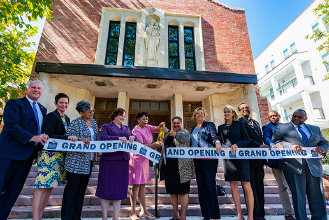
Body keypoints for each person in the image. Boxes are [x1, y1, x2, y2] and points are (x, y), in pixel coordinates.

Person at [0, 79, 48, 219]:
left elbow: (42, 131)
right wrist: (33, 137)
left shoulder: (42, 109)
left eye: (39, 88)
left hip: (27, 158)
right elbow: (11, 125)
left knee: (12, 194)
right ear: (26, 89)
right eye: (33, 87)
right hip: (8, 155)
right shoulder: (15, 103)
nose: (36, 90)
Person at [273, 109, 328, 220]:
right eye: (294, 116)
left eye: (300, 117)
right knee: (298, 197)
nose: (296, 119)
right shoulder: (282, 128)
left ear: (305, 118)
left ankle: (320, 218)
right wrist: (290, 146)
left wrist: (323, 149)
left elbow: (324, 142)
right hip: (294, 167)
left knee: (317, 196)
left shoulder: (315, 129)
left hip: (314, 167)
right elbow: (277, 141)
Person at [33, 93, 78, 220]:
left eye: (66, 103)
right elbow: (50, 134)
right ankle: (35, 217)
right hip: (48, 155)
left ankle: (40, 215)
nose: (64, 105)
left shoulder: (67, 119)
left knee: (49, 187)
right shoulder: (51, 116)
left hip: (60, 156)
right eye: (61, 102)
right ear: (55, 104)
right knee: (41, 186)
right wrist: (67, 137)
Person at [96, 108, 135, 220]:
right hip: (109, 162)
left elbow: (134, 137)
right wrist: (117, 138)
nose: (123, 118)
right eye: (120, 115)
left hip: (123, 162)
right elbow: (103, 138)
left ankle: (115, 217)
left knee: (119, 189)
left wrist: (133, 137)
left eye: (124, 116)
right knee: (106, 188)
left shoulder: (127, 128)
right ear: (114, 116)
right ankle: (104, 217)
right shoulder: (106, 127)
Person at [61, 101, 98, 220]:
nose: (92, 113)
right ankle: (66, 217)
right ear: (81, 112)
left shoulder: (94, 122)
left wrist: (95, 152)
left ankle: (76, 217)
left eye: (92, 110)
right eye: (89, 111)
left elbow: (95, 140)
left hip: (89, 161)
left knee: (81, 191)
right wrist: (80, 139)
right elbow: (67, 138)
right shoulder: (76, 123)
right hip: (75, 161)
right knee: (71, 191)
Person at [217, 105, 254, 220]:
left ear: (233, 113)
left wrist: (237, 144)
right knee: (233, 184)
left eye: (229, 111)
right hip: (228, 159)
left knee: (246, 184)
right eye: (225, 112)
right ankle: (239, 215)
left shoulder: (240, 124)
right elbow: (221, 140)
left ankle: (250, 215)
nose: (226, 113)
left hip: (241, 157)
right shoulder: (220, 127)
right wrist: (221, 144)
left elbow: (247, 140)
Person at [129, 112, 164, 220]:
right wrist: (154, 145)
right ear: (138, 120)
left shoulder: (148, 127)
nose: (146, 121)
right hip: (136, 158)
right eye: (143, 119)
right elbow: (140, 146)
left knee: (143, 185)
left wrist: (161, 126)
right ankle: (133, 212)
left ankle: (143, 211)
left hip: (145, 159)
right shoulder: (135, 131)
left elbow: (158, 129)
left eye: (147, 119)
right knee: (136, 185)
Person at [238, 103, 269, 220]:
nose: (245, 110)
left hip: (259, 159)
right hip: (248, 159)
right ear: (239, 111)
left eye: (247, 108)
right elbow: (247, 139)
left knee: (260, 186)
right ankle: (254, 214)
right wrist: (260, 145)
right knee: (251, 187)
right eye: (242, 109)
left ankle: (261, 214)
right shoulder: (240, 123)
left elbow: (259, 137)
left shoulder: (255, 122)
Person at [161, 116, 195, 220]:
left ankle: (183, 217)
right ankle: (176, 215)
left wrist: (168, 130)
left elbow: (180, 138)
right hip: (170, 167)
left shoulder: (185, 133)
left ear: (181, 124)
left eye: (178, 123)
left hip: (183, 167)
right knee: (172, 191)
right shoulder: (167, 135)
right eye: (174, 123)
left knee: (184, 191)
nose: (176, 124)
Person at [262, 110, 294, 220]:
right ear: (268, 118)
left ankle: (299, 213)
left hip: (290, 160)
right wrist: (273, 145)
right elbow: (266, 138)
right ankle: (288, 214)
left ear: (279, 116)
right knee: (283, 187)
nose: (274, 118)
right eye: (271, 116)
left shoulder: (287, 126)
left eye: (275, 115)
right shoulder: (266, 127)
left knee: (294, 187)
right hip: (276, 161)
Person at [191, 107, 221, 220]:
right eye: (198, 113)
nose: (200, 115)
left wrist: (217, 143)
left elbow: (214, 137)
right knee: (201, 186)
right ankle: (206, 215)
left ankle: (213, 215)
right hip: (197, 160)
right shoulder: (193, 128)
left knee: (210, 186)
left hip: (209, 160)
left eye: (202, 113)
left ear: (204, 115)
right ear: (195, 116)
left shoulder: (209, 125)